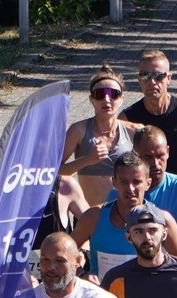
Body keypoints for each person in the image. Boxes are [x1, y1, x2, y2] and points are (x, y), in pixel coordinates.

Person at [74, 153, 177, 279]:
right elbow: (63, 253)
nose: (130, 188)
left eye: (136, 182)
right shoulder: (93, 217)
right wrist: (82, 274)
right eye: (123, 182)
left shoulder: (163, 220)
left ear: (148, 183)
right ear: (114, 182)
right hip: (105, 296)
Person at [59, 68, 139, 212]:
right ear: (91, 99)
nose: (106, 100)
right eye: (100, 95)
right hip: (88, 217)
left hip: (124, 217)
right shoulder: (79, 130)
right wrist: (87, 160)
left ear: (121, 99)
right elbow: (54, 172)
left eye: (113, 94)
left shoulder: (134, 131)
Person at [129, 126, 177, 240]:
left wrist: (176, 229)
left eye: (160, 156)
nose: (155, 163)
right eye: (148, 157)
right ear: (135, 155)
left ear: (167, 151)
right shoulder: (125, 191)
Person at [120, 48, 177, 153]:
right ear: (139, 79)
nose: (152, 82)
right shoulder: (127, 119)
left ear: (168, 78)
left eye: (159, 76)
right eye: (145, 76)